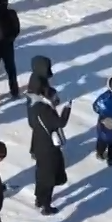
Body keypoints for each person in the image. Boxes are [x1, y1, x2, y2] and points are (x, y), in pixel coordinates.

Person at [26, 75, 70, 214]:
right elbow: (60, 123)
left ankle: (39, 199)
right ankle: (46, 205)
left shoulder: (34, 107)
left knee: (41, 174)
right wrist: (67, 109)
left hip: (38, 145)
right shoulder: (46, 111)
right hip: (49, 149)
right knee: (49, 177)